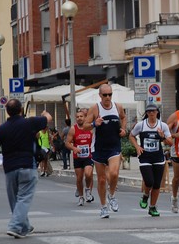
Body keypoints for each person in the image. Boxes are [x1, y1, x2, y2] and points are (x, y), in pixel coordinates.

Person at [0, 99, 52, 238]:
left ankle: (25, 226)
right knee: (23, 198)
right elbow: (48, 119)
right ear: (21, 109)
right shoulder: (30, 123)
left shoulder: (1, 129)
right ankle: (15, 226)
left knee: (15, 200)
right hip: (27, 165)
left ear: (7, 111)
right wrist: (45, 113)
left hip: (10, 168)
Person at [84, 84, 127, 219]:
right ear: (100, 95)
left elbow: (123, 117)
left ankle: (112, 195)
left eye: (110, 94)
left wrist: (123, 129)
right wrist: (94, 124)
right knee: (102, 180)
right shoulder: (95, 108)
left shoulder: (117, 106)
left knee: (114, 174)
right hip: (99, 148)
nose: (108, 97)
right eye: (105, 95)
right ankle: (103, 207)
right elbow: (84, 126)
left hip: (114, 146)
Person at [129, 103, 172, 217]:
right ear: (147, 113)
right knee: (149, 181)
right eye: (149, 111)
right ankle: (145, 195)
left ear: (157, 112)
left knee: (157, 184)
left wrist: (162, 137)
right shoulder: (141, 125)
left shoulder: (163, 126)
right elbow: (131, 135)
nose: (151, 113)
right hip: (145, 157)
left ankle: (152, 207)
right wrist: (137, 147)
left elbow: (170, 142)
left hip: (158, 157)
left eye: (153, 111)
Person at [66, 110, 95, 206]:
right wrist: (74, 148)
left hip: (89, 156)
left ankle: (87, 189)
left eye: (81, 116)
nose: (79, 118)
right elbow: (67, 143)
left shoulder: (90, 128)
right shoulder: (73, 129)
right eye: (77, 117)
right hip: (78, 156)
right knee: (79, 178)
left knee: (88, 174)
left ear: (85, 117)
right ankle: (81, 197)